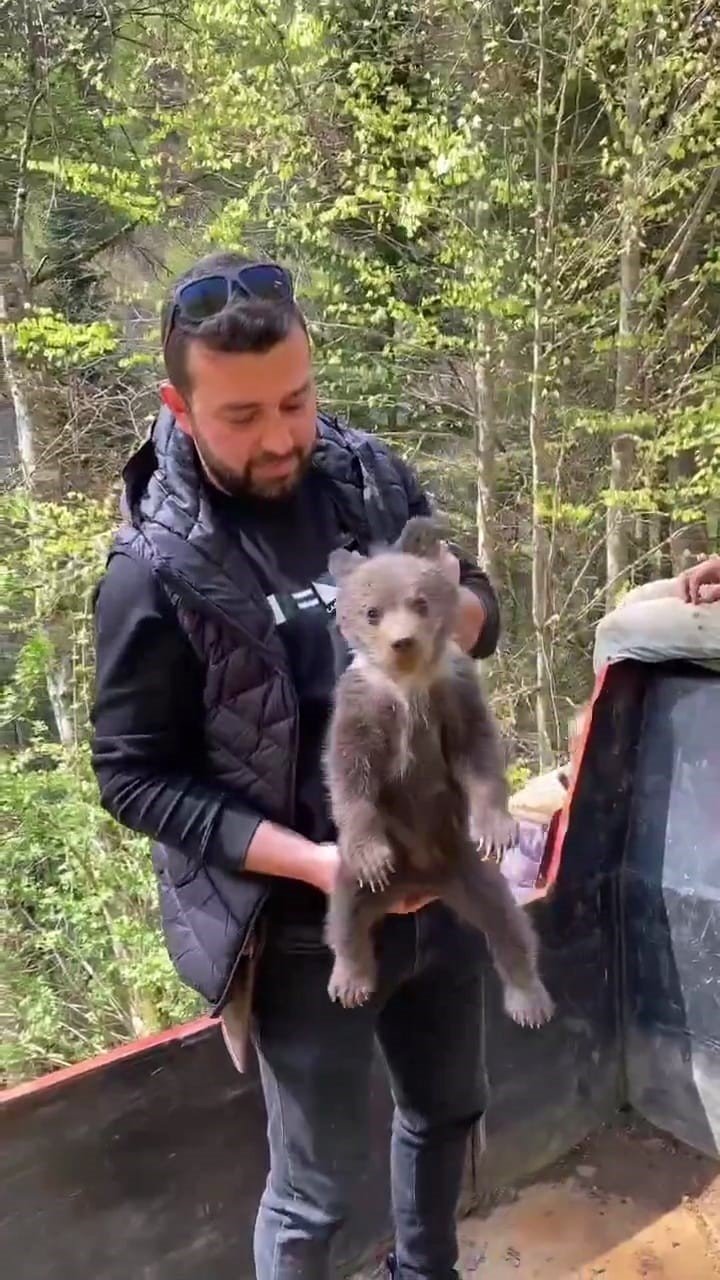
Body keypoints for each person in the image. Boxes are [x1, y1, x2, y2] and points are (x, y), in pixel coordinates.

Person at [91, 252, 501, 1280]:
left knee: (448, 1106)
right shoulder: (155, 566)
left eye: (297, 399)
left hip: (443, 880)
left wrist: (459, 609)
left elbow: (479, 604)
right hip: (299, 924)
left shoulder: (370, 477)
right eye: (240, 415)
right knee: (315, 1193)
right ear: (177, 405)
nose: (279, 436)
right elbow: (134, 774)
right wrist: (318, 866)